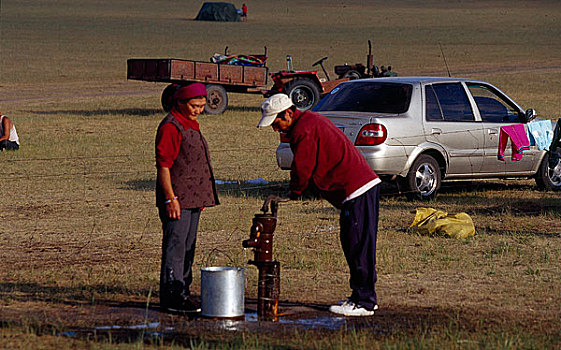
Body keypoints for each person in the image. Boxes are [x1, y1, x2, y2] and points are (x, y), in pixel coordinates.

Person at [257, 94, 381, 317]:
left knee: (358, 245)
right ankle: (362, 296)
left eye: (276, 123)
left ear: (288, 113)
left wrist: (294, 192)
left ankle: (364, 302)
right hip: (357, 188)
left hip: (357, 188)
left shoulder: (303, 129)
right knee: (356, 243)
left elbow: (303, 166)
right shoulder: (309, 121)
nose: (276, 129)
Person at [155, 83, 219, 313]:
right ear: (180, 103)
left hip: (192, 199)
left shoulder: (189, 124)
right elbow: (164, 166)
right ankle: (172, 297)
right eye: (194, 105)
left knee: (188, 246)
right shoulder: (171, 127)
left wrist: (200, 197)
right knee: (176, 246)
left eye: (202, 106)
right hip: (177, 199)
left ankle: (183, 291)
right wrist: (170, 199)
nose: (198, 110)